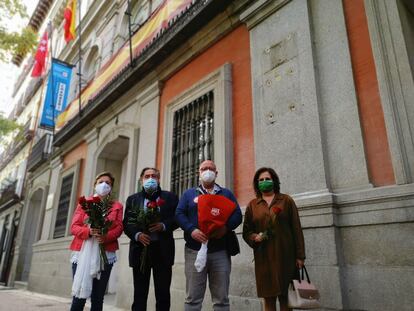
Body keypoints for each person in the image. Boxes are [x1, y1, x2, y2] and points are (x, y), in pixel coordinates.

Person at [175, 160, 242, 311]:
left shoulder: (226, 193)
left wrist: (225, 228)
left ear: (216, 173)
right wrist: (191, 229)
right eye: (204, 168)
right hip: (194, 251)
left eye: (211, 168)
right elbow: (179, 214)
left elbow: (237, 214)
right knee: (192, 298)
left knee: (221, 299)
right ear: (199, 173)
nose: (208, 171)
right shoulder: (189, 194)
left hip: (220, 252)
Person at [242, 167, 305, 311]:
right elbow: (246, 231)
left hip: (286, 256)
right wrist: (254, 237)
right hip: (264, 258)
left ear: (274, 181)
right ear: (257, 183)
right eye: (261, 180)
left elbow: (296, 228)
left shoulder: (286, 200)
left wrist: (300, 256)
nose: (265, 182)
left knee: (286, 299)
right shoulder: (253, 205)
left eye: (268, 179)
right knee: (268, 300)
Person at [123, 167, 179, 311]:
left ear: (159, 179)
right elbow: (127, 223)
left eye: (154, 176)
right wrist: (137, 235)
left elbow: (177, 218)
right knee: (140, 294)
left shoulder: (170, 197)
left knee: (163, 294)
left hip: (163, 251)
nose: (150, 179)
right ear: (142, 180)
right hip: (140, 251)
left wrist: (164, 225)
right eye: (147, 176)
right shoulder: (132, 199)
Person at [69, 171, 124, 311]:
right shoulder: (84, 204)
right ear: (95, 185)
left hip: (105, 254)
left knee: (98, 298)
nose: (104, 185)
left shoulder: (117, 206)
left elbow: (118, 228)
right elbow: (74, 227)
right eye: (101, 182)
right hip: (82, 254)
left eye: (108, 183)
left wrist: (105, 236)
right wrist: (88, 231)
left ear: (111, 188)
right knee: (78, 298)